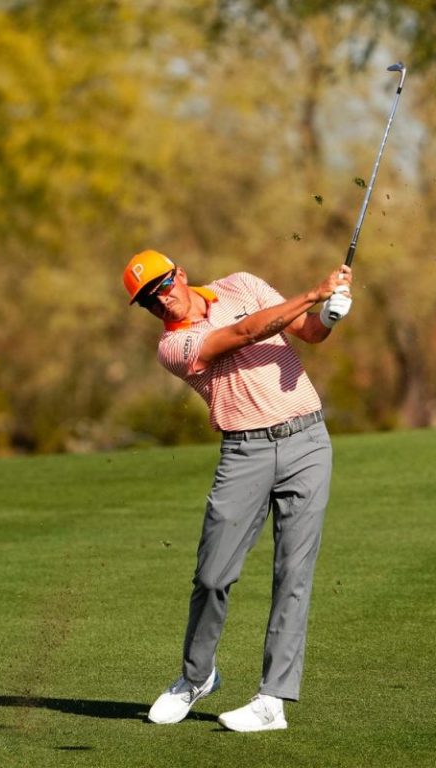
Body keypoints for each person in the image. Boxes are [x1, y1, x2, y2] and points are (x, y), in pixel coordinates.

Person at [122, 249, 352, 732]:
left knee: (293, 574)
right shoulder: (174, 346)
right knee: (212, 576)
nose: (160, 301)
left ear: (180, 274)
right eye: (147, 301)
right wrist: (314, 292)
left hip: (308, 441)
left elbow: (307, 332)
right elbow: (246, 333)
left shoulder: (242, 285)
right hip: (244, 452)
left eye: (162, 287)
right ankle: (196, 677)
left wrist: (329, 316)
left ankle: (273, 700)